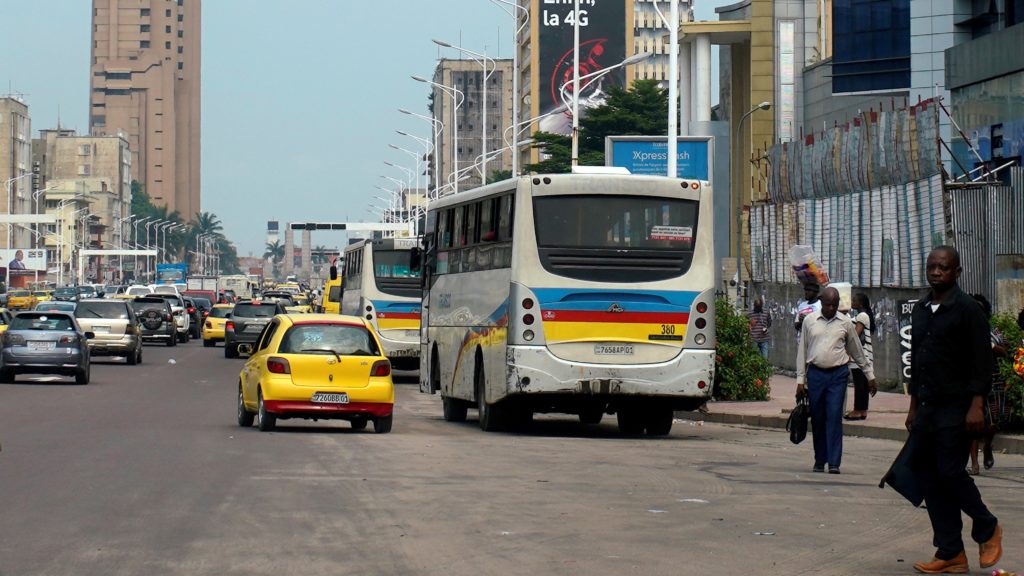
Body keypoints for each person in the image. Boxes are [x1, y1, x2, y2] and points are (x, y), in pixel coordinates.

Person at [907, 246, 1002, 574]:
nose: (936, 272)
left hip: (957, 408)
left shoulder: (967, 310)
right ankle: (950, 551)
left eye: (944, 268)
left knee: (949, 471)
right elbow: (917, 361)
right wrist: (912, 406)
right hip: (927, 408)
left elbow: (982, 361)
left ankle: (987, 528)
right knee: (928, 477)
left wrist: (977, 405)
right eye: (932, 266)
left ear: (957, 272)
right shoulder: (920, 309)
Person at [795, 286, 874, 474]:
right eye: (827, 304)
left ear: (838, 305)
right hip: (815, 374)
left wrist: (870, 375)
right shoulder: (809, 321)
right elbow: (802, 351)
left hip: (837, 375)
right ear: (821, 303)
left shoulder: (845, 322)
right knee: (818, 417)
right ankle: (819, 459)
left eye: (834, 305)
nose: (830, 308)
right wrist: (800, 380)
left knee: (834, 416)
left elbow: (857, 350)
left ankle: (834, 462)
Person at [967, 294, 1009, 476]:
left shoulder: (994, 331)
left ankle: (988, 446)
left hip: (994, 379)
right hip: (969, 380)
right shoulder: (962, 330)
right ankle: (974, 462)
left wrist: (991, 346)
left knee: (992, 423)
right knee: (971, 425)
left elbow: (1006, 352)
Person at [844, 293, 877, 420]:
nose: (852, 302)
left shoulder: (862, 316)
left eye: (854, 300)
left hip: (860, 354)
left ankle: (857, 410)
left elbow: (855, 335)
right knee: (863, 383)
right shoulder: (863, 315)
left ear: (861, 303)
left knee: (859, 384)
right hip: (866, 353)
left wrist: (847, 350)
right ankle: (863, 410)